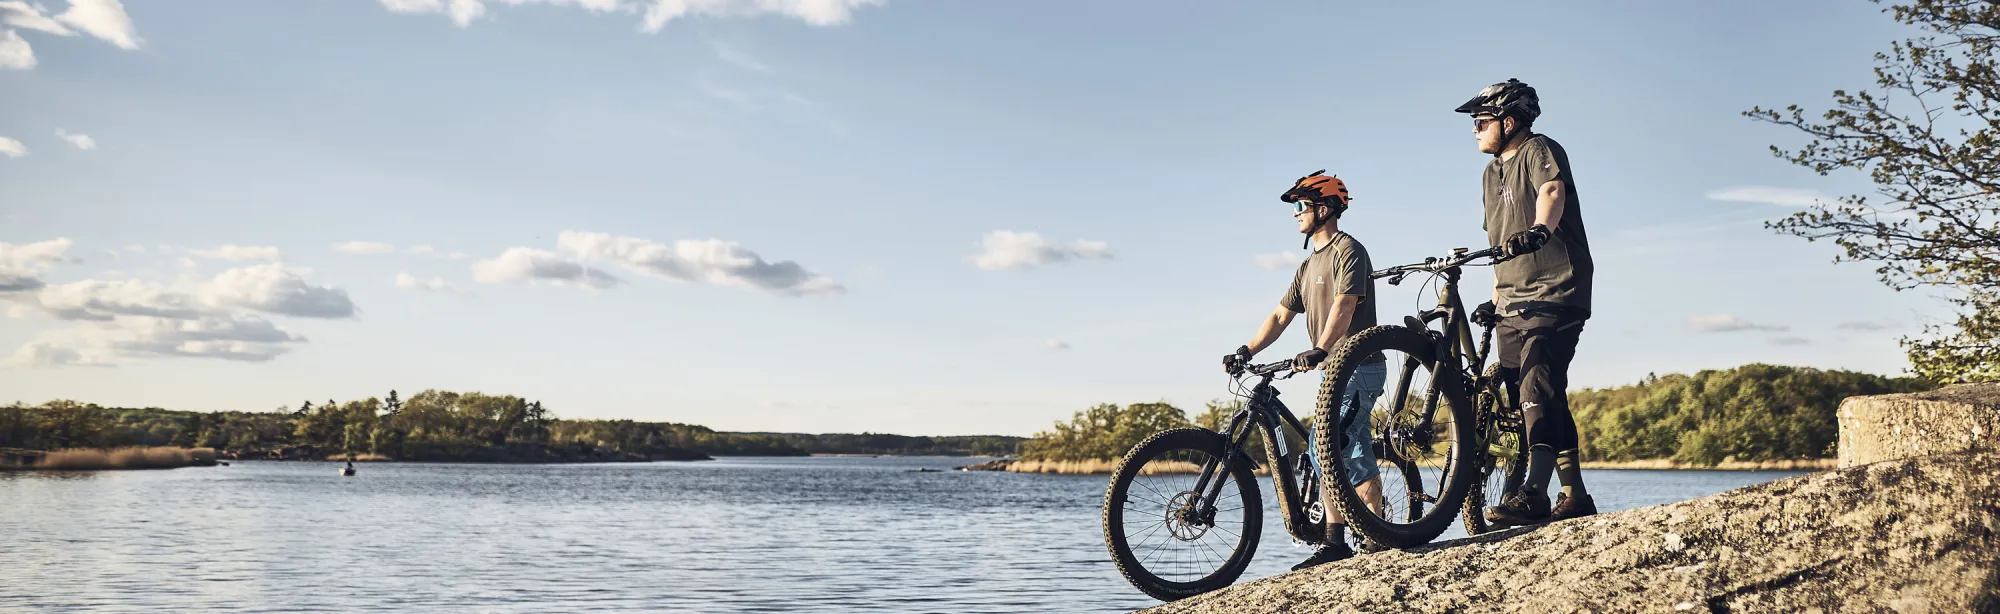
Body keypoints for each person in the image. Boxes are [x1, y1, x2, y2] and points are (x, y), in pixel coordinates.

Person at [1221, 170, 1386, 570]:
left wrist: (1319, 348)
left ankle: (1338, 541)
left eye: (1301, 206)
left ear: (1325, 209)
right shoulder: (1308, 264)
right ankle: (1372, 530)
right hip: (1335, 370)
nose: (1295, 214)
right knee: (1348, 452)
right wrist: (1247, 349)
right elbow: (1280, 315)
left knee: (1322, 447)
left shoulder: (1350, 251)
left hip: (1359, 366)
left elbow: (1345, 306)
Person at [1454, 78, 1598, 527]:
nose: (1475, 129)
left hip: (1557, 289)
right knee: (1530, 395)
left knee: (1537, 382)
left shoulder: (1538, 149)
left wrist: (1541, 229)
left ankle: (1533, 491)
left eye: (1481, 121)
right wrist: (1494, 298)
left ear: (1509, 120)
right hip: (1512, 297)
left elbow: (1551, 193)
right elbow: (1497, 242)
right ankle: (1574, 494)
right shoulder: (1489, 172)